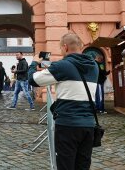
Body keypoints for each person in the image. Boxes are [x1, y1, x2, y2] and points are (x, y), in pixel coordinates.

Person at [28, 33, 99, 170]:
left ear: (65, 47)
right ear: (81, 47)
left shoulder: (63, 66)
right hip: (89, 125)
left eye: (61, 48)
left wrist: (34, 63)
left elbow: (33, 80)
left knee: (65, 165)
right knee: (83, 165)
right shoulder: (94, 66)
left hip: (67, 125)